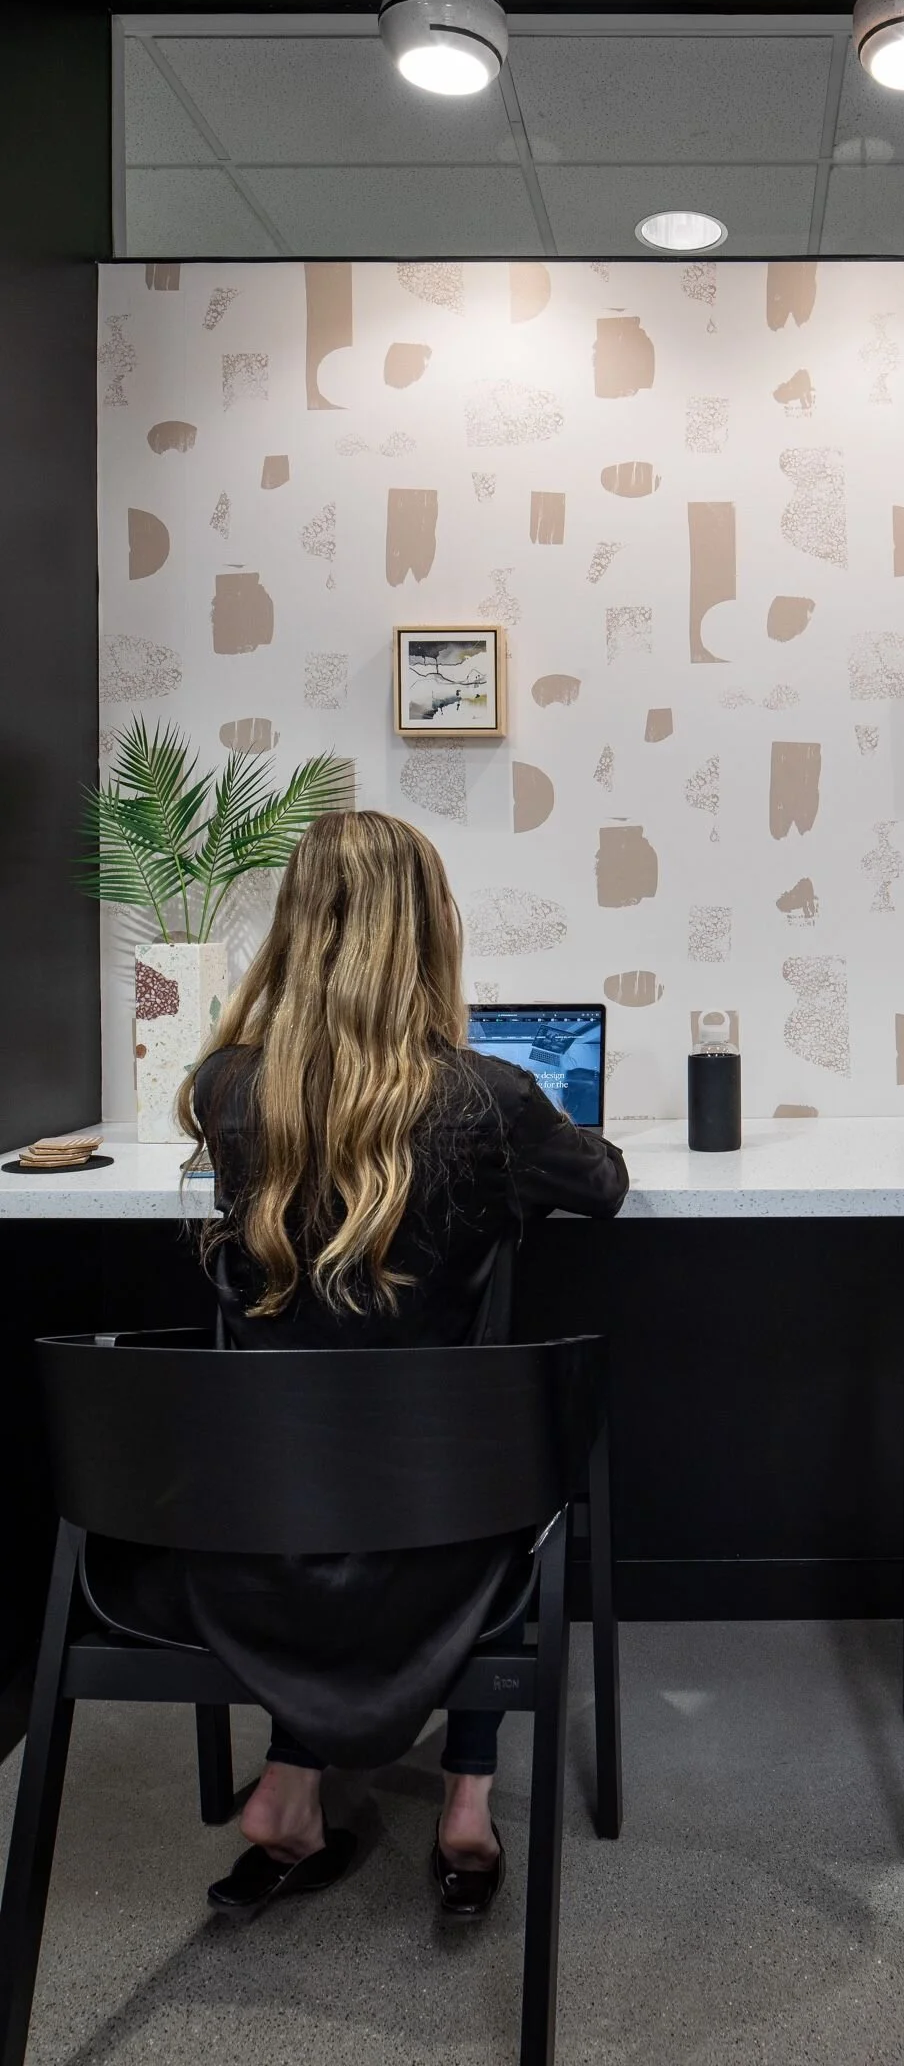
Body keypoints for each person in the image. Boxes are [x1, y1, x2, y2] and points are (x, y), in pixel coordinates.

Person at [174, 810, 628, 1918]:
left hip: (261, 1521)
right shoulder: (493, 1101)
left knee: (340, 1461)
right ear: (427, 934)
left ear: (298, 932)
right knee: (501, 1463)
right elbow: (602, 1184)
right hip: (454, 1514)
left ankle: (289, 1792)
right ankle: (466, 1804)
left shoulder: (227, 1090)